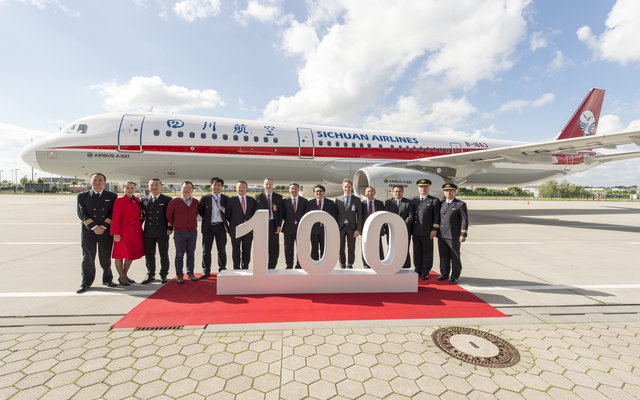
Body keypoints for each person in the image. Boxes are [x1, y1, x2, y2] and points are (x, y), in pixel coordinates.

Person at [76, 172, 118, 293]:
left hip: (105, 230)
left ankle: (107, 279)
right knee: (88, 257)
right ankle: (86, 282)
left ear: (105, 182)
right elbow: (81, 213)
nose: (97, 182)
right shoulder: (82, 196)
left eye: (100, 180)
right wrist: (94, 227)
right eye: (95, 180)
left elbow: (113, 213)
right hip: (88, 230)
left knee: (105, 256)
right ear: (90, 182)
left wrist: (104, 226)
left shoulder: (112, 196)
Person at [111, 181, 145, 285]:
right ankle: (122, 276)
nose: (130, 190)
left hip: (135, 231)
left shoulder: (136, 200)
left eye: (132, 188)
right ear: (123, 189)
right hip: (123, 231)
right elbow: (116, 218)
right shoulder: (120, 201)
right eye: (128, 188)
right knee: (120, 254)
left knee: (131, 254)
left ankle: (124, 275)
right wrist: (115, 233)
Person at [166, 181, 200, 283]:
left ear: (192, 190)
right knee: (180, 254)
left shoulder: (196, 202)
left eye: (189, 188)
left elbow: (196, 214)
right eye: (185, 187)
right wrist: (176, 224)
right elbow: (169, 215)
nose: (187, 190)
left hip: (192, 232)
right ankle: (179, 275)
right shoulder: (174, 201)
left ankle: (190, 273)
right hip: (179, 232)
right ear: (181, 189)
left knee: (191, 253)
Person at [140, 178, 172, 284]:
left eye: (156, 185)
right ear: (148, 187)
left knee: (163, 254)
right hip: (148, 231)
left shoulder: (167, 199)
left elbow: (170, 216)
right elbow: (141, 216)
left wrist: (170, 228)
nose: (154, 187)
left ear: (161, 186)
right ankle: (150, 274)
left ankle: (164, 274)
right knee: (149, 254)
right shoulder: (143, 199)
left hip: (162, 231)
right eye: (151, 185)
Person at [437, 183, 468, 285]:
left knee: (455, 256)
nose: (448, 193)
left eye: (451, 191)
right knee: (443, 255)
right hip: (442, 235)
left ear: (455, 192)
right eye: (446, 191)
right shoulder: (441, 204)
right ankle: (444, 274)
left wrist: (463, 234)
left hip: (453, 235)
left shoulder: (460, 204)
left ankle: (455, 276)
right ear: (444, 192)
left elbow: (464, 220)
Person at [411, 179, 441, 280]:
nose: (423, 189)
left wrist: (434, 229)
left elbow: (436, 217)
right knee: (416, 251)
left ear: (428, 188)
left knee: (427, 252)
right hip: (416, 231)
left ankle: (425, 271)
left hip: (427, 232)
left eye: (425, 187)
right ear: (418, 188)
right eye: (421, 187)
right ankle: (417, 269)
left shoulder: (434, 200)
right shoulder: (414, 200)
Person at [199, 177, 228, 278]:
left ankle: (222, 269)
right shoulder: (205, 198)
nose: (217, 187)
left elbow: (228, 213)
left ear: (222, 187)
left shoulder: (226, 198)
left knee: (222, 250)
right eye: (215, 184)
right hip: (208, 227)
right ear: (211, 186)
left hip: (221, 227)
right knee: (206, 250)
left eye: (219, 185)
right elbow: (201, 212)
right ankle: (206, 270)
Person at [226, 180, 258, 269]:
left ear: (246, 188)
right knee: (236, 250)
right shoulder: (231, 200)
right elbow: (228, 215)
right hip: (235, 229)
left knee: (247, 250)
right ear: (236, 189)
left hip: (248, 229)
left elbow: (255, 214)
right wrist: (234, 224)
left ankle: (245, 267)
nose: (241, 188)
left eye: (243, 187)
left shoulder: (252, 200)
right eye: (239, 187)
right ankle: (236, 267)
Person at [255, 178, 283, 269]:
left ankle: (272, 267)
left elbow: (280, 213)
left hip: (273, 225)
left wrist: (279, 225)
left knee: (274, 248)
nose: (268, 186)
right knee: (262, 247)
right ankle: (262, 267)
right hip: (262, 226)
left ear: (272, 185)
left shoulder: (279, 197)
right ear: (263, 185)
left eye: (270, 184)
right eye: (266, 184)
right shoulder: (258, 197)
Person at [384, 185, 414, 268]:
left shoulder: (408, 202)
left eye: (400, 191)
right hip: (391, 230)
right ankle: (391, 265)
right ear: (392, 192)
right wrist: (393, 226)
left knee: (404, 248)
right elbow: (386, 215)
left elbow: (410, 216)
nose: (397, 193)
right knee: (391, 248)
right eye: (396, 191)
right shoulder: (388, 202)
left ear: (403, 192)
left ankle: (406, 266)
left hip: (404, 230)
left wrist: (401, 226)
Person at [306, 184, 338, 261]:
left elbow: (334, 217)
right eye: (317, 191)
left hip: (326, 230)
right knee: (314, 248)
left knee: (325, 248)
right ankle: (315, 264)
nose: (319, 193)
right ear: (314, 193)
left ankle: (324, 264)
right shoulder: (309, 203)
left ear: (324, 192)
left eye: (320, 191)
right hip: (313, 230)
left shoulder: (330, 203)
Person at [335, 179, 362, 269]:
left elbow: (359, 216)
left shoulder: (357, 200)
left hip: (352, 228)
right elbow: (335, 214)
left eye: (349, 187)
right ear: (342, 187)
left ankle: (350, 264)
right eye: (345, 187)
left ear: (352, 188)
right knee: (340, 247)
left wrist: (358, 229)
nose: (347, 188)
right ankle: (342, 264)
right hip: (340, 227)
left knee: (351, 247)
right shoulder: (338, 199)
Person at [281, 182, 308, 269]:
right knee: (288, 248)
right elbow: (282, 215)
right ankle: (289, 265)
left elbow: (306, 214)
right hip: (288, 229)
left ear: (298, 190)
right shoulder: (284, 201)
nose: (294, 190)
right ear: (289, 190)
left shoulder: (304, 201)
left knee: (301, 248)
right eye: (292, 188)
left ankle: (299, 265)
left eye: (296, 189)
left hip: (301, 229)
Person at [360, 186, 384, 267]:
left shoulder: (380, 203)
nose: (370, 193)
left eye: (371, 191)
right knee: (365, 247)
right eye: (368, 191)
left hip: (376, 228)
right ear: (365, 193)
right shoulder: (361, 204)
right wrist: (360, 229)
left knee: (378, 247)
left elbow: (382, 217)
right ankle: (366, 265)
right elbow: (359, 218)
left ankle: (380, 263)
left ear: (375, 192)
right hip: (365, 229)